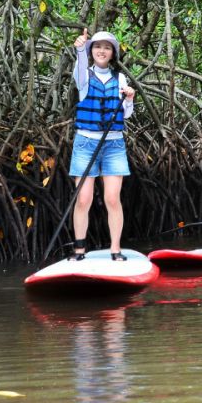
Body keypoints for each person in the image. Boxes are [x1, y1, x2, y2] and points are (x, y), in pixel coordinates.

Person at [68, 28, 136, 261]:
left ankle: (115, 249)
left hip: (113, 146)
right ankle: (79, 250)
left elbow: (126, 115)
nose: (102, 50)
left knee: (111, 198)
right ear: (91, 50)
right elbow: (79, 71)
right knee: (84, 198)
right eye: (97, 46)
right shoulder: (84, 75)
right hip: (86, 143)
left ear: (113, 53)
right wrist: (79, 49)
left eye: (107, 47)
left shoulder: (120, 79)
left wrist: (129, 99)